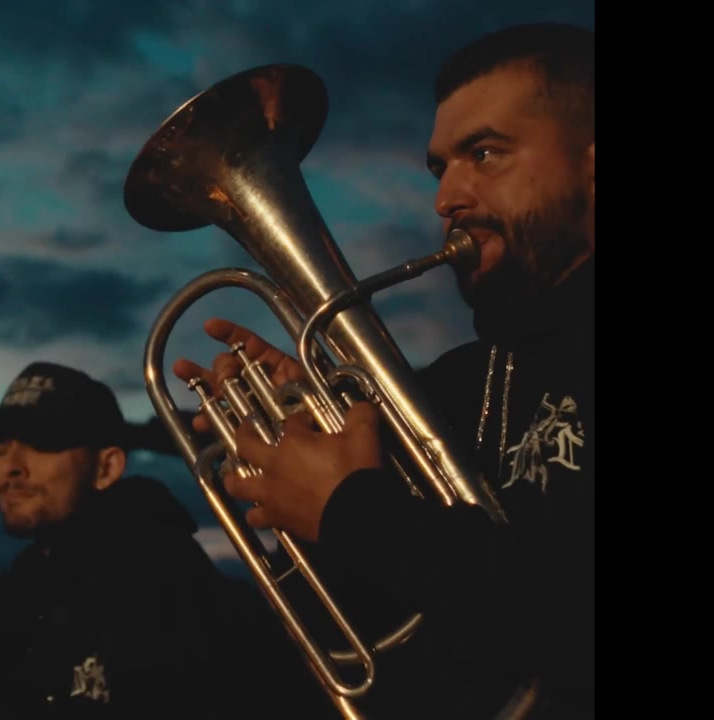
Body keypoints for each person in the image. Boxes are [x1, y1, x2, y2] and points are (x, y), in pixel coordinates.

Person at [172, 22, 595, 720]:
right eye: (439, 168)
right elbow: (382, 627)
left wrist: (354, 511)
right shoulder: (456, 384)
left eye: (484, 154)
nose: (446, 199)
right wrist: (306, 455)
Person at [0, 361, 331, 719]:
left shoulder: (170, 585)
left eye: (42, 443)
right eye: (1, 448)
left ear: (106, 468)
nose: (11, 467)